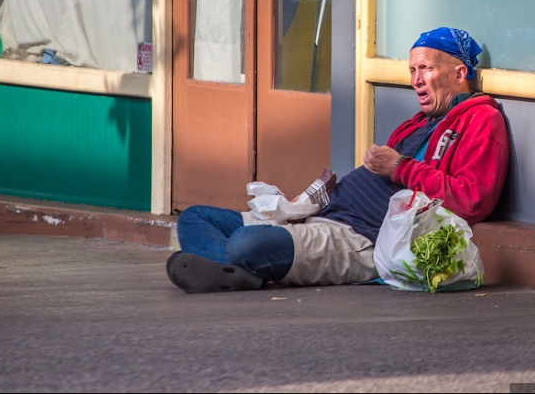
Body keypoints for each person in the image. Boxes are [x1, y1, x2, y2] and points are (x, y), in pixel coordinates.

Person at [166, 27, 510, 293]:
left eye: (426, 69)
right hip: (321, 216)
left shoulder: (481, 119)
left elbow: (471, 198)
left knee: (248, 243)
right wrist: (308, 203)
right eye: (412, 70)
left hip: (359, 238)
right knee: (195, 218)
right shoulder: (418, 123)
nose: (415, 80)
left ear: (459, 74)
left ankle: (232, 264)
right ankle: (236, 272)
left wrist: (399, 167)